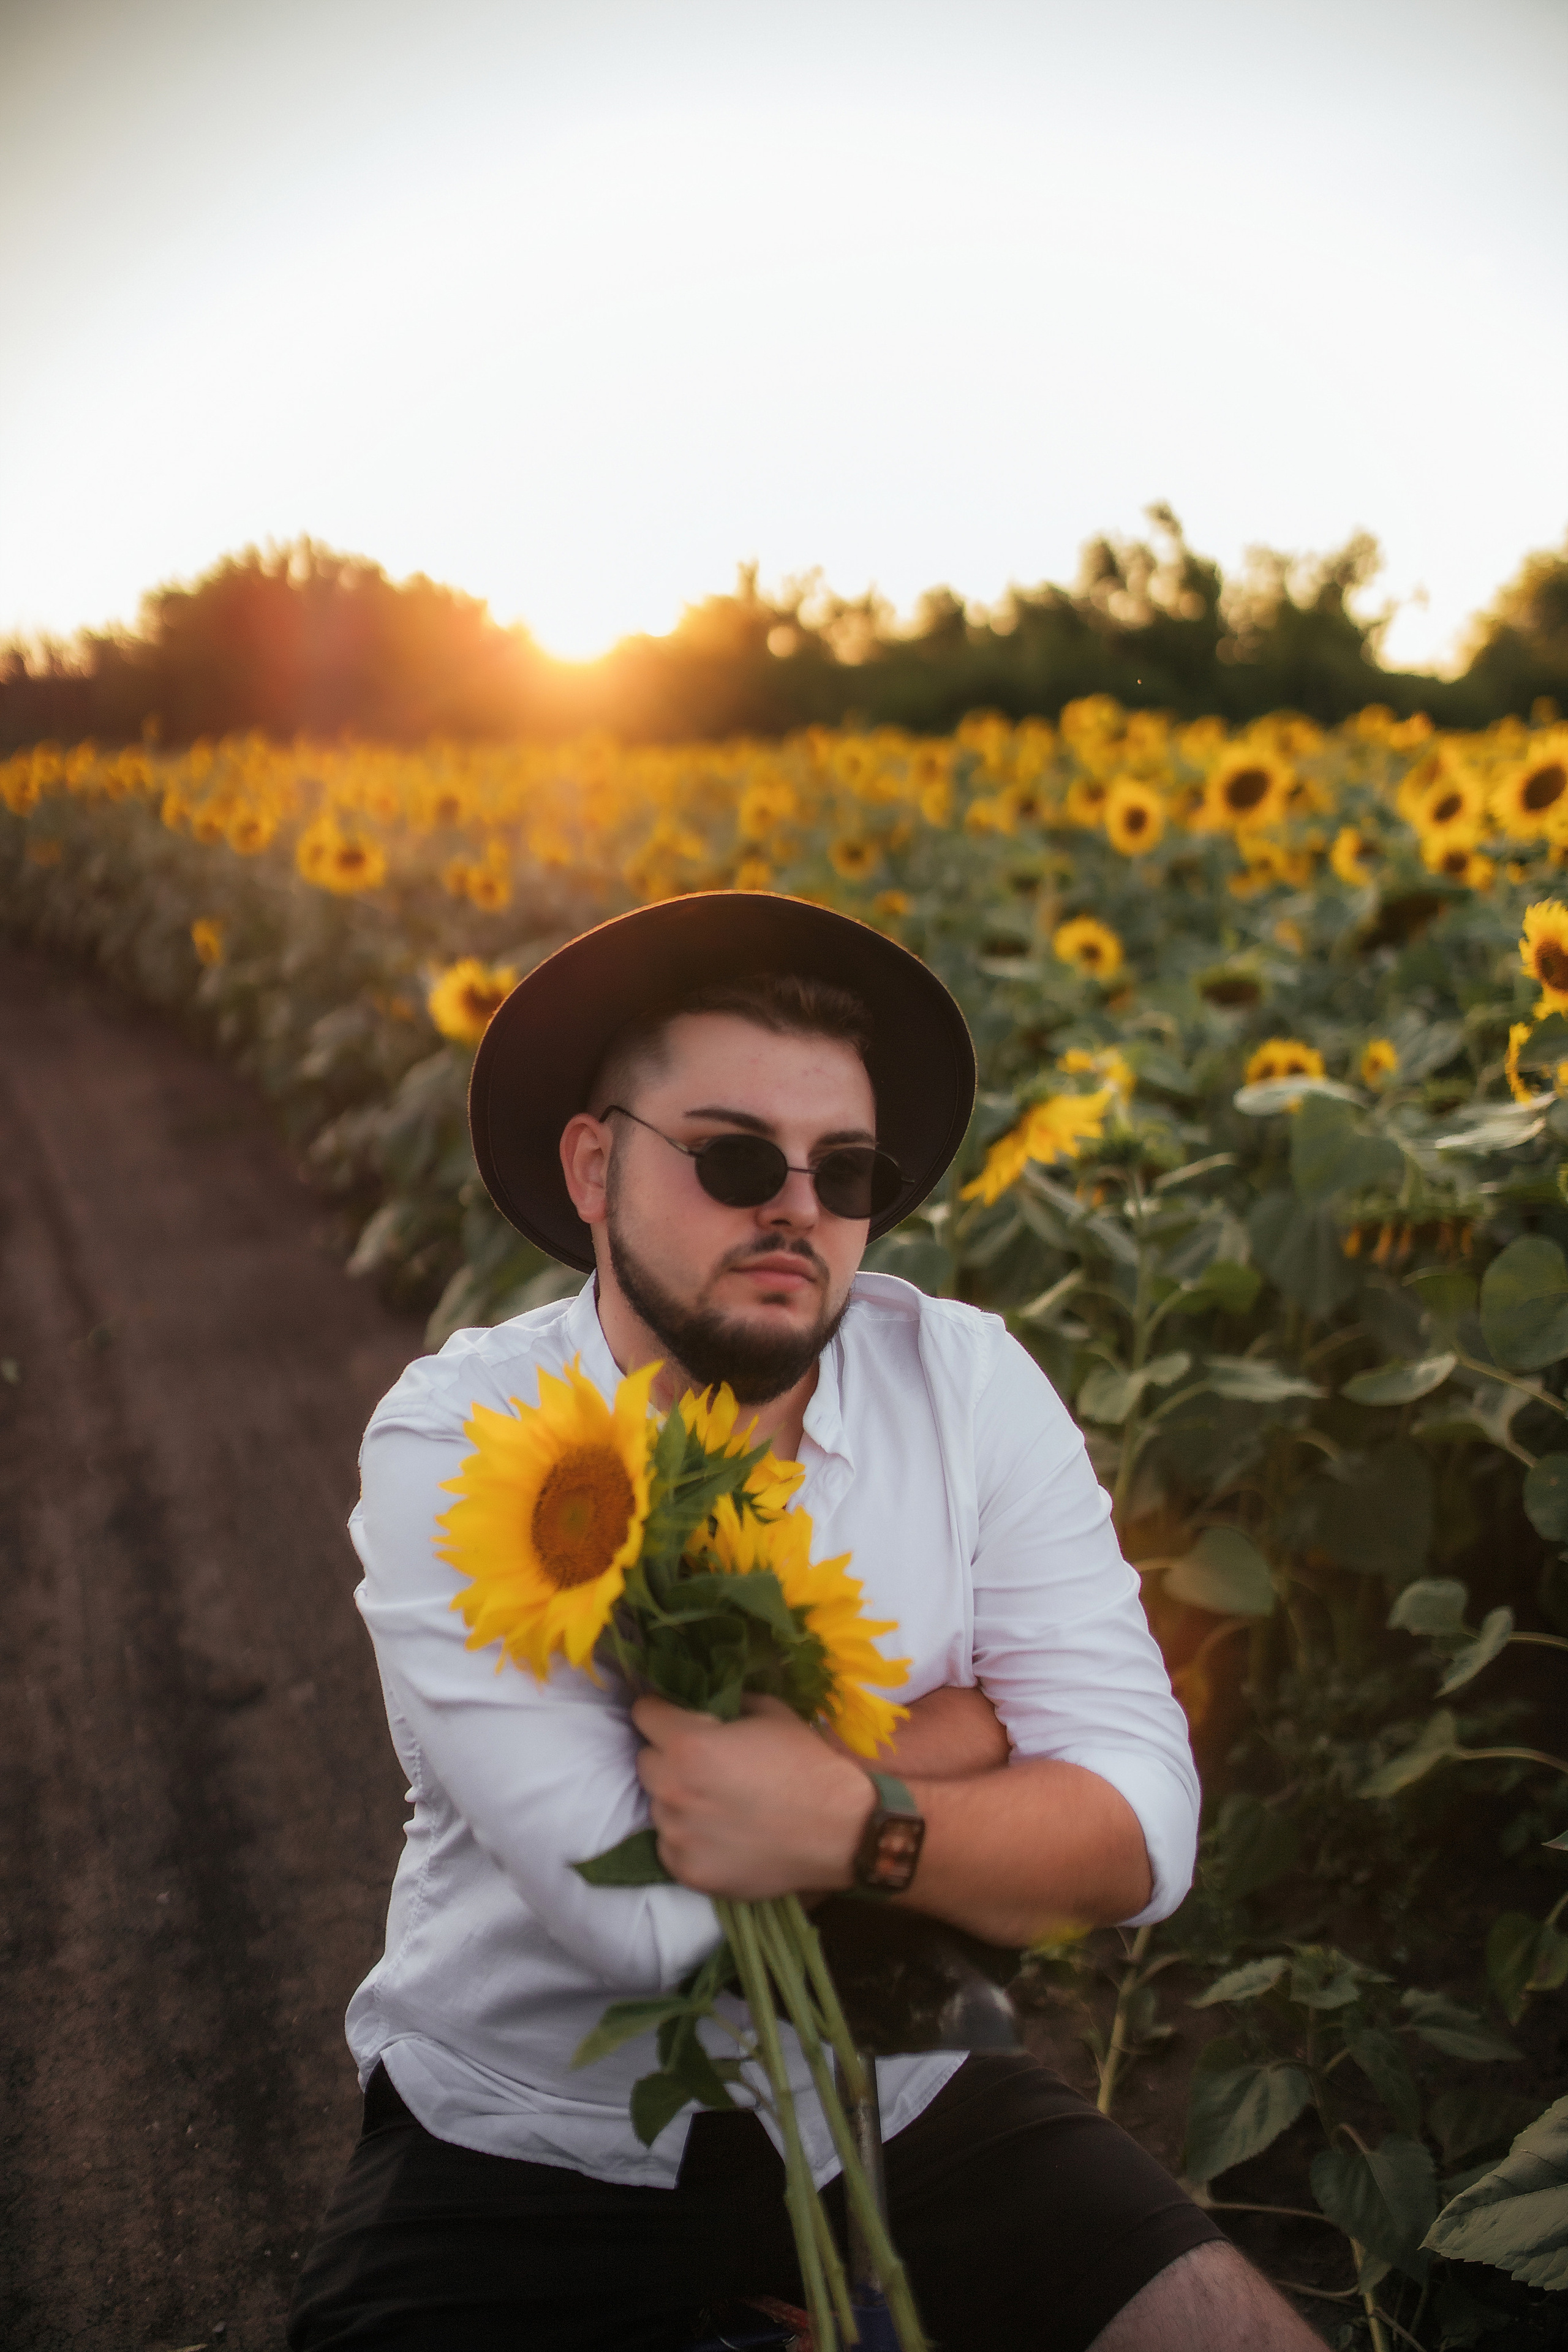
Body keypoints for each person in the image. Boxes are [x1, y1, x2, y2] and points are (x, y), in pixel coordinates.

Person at [288, 892, 1320, 2351]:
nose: (795, 1207)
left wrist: (851, 1818)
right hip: (529, 2143)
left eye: (845, 1171)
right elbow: (636, 1917)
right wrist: (966, 1737)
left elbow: (1146, 1832)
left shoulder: (963, 1385)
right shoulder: (462, 1438)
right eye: (731, 1158)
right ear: (592, 1166)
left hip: (889, 2099)